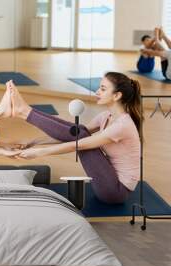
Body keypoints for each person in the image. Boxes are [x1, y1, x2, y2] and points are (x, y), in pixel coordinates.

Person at [9, 72, 142, 204]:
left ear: (117, 95)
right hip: (108, 180)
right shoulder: (107, 116)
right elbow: (71, 134)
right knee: (80, 131)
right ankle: (25, 111)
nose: (97, 92)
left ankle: (24, 111)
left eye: (103, 89)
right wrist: (34, 142)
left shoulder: (122, 126)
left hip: (115, 191)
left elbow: (78, 144)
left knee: (81, 135)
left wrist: (39, 153)